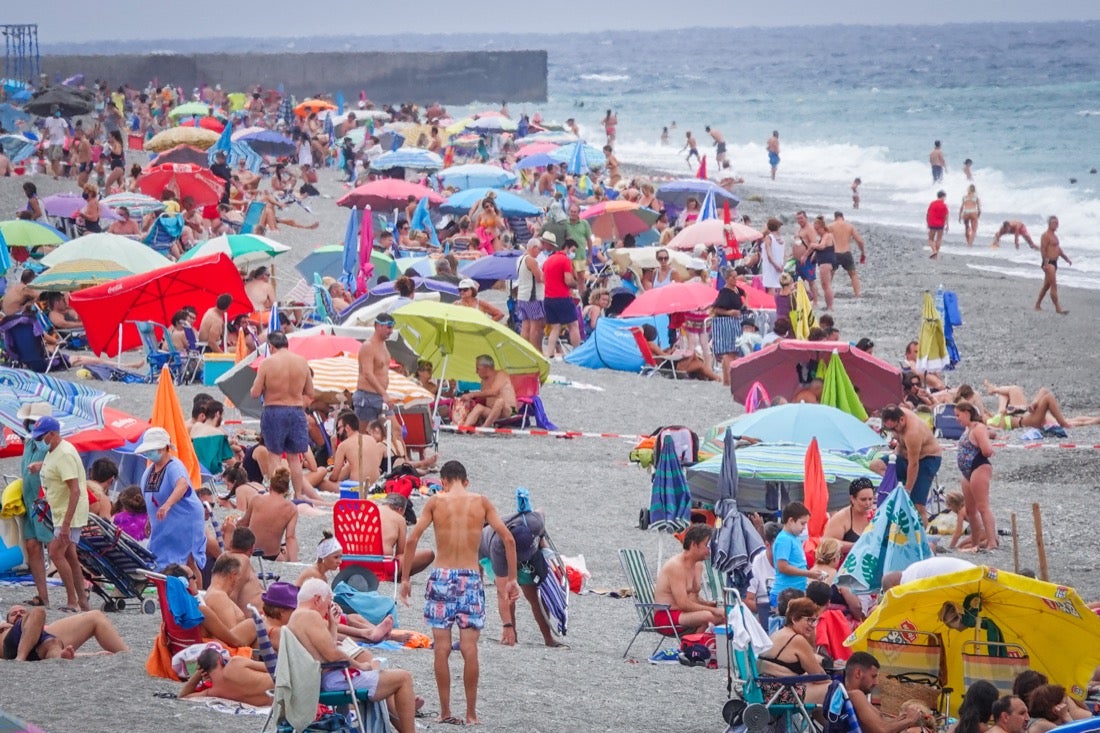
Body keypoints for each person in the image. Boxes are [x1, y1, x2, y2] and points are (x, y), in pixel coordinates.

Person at [400, 460, 519, 726]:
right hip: (470, 578)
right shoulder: (481, 502)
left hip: (442, 576)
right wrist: (511, 579)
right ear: (466, 481)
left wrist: (406, 579)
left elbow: (411, 539)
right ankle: (471, 714)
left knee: (441, 648)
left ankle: (444, 711)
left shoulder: (435, 502)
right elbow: (508, 539)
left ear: (442, 481)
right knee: (469, 647)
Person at [288, 579, 417, 733]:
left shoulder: (296, 617)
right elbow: (332, 653)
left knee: (384, 675)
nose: (329, 607)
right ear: (317, 599)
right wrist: (360, 666)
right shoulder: (310, 616)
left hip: (317, 680)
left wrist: (333, 625)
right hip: (330, 681)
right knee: (404, 678)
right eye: (329, 602)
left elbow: (327, 647)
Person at [479, 508, 564, 648]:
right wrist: (508, 626)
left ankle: (548, 638)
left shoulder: (535, 522)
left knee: (533, 594)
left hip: (525, 547)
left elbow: (541, 511)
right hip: (487, 551)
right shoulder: (497, 546)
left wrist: (543, 542)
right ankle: (511, 635)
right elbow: (503, 592)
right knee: (509, 594)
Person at [31, 416, 90, 612]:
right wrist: (40, 467)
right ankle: (81, 600)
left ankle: (72, 601)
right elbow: (56, 470)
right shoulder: (54, 450)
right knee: (70, 555)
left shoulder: (64, 453)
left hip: (69, 513)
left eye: (42, 438)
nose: (40, 441)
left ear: (53, 434)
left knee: (55, 551)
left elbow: (75, 490)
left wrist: (65, 525)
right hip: (61, 510)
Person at [250, 331, 316, 503]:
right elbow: (310, 392)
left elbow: (255, 393)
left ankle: (277, 493)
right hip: (296, 410)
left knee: (275, 455)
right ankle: (299, 494)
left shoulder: (267, 363)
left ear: (271, 346)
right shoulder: (302, 362)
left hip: (274, 409)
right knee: (295, 457)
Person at [135, 427, 208, 578]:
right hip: (164, 522)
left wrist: (167, 505)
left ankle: (196, 595)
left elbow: (182, 485)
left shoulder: (174, 466)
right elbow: (151, 497)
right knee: (162, 561)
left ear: (162, 448)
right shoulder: (150, 470)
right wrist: (150, 517)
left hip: (185, 519)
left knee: (188, 561)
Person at [756, 598, 831, 705]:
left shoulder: (778, 633)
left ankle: (816, 722)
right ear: (795, 619)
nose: (813, 625)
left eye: (815, 621)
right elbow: (820, 676)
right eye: (809, 620)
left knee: (816, 689)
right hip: (778, 694)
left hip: (764, 690)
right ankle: (836, 721)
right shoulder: (797, 639)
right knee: (833, 688)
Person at [652, 524, 725, 632]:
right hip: (666, 615)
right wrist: (713, 610)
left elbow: (693, 597)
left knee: (725, 617)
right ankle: (692, 647)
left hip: (684, 614)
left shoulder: (698, 565)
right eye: (707, 545)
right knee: (708, 616)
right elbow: (683, 603)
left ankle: (696, 645)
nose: (710, 550)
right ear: (694, 544)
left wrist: (708, 604)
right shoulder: (676, 566)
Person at [16, 403, 53, 608]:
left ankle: (76, 596)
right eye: (29, 423)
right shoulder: (29, 443)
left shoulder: (52, 445)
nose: (31, 427)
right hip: (30, 502)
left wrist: (43, 465)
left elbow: (62, 468)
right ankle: (43, 595)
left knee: (57, 550)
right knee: (32, 546)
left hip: (47, 502)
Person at [880, 404, 943, 523]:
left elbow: (913, 464)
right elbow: (899, 444)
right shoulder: (898, 414)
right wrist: (894, 454)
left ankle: (922, 539)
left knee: (918, 506)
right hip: (904, 456)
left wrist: (907, 490)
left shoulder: (912, 433)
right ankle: (897, 484)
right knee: (876, 465)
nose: (893, 432)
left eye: (894, 428)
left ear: (901, 420)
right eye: (889, 429)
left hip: (926, 459)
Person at [1, 605, 128, 661]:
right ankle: (20, 658)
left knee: (53, 642)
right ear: (8, 620)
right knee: (38, 611)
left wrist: (92, 654)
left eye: (22, 612)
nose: (18, 613)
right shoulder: (7, 629)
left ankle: (129, 656)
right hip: (12, 645)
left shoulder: (37, 623)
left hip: (41, 639)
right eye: (13, 614)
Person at [953, 401, 996, 550]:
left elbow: (987, 450)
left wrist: (986, 447)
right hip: (968, 472)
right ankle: (976, 542)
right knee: (971, 510)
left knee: (983, 506)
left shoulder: (978, 428)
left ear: (966, 412)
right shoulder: (968, 429)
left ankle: (992, 541)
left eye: (958, 415)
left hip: (979, 467)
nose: (957, 418)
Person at [844, 651, 922, 733]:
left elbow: (881, 725)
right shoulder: (855, 695)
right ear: (858, 673)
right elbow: (882, 730)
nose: (876, 682)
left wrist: (902, 719)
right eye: (873, 676)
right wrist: (909, 720)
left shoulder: (853, 696)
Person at [772, 502, 825, 618]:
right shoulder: (784, 540)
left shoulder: (794, 538)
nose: (804, 528)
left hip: (796, 592)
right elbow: (782, 567)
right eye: (802, 523)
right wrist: (808, 573)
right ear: (791, 521)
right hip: (785, 594)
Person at [238, 466, 299, 561]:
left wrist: (235, 524)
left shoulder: (256, 499)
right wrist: (294, 562)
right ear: (286, 489)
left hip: (251, 552)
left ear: (270, 486)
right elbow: (290, 537)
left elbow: (244, 523)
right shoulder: (292, 508)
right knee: (285, 551)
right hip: (272, 555)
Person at [180, 647, 273, 706]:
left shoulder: (213, 692)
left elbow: (183, 696)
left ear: (205, 672)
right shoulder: (236, 663)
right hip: (283, 683)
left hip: (276, 702)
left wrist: (198, 674)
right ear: (220, 659)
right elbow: (274, 667)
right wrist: (230, 659)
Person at [199, 555, 258, 646]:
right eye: (238, 579)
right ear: (233, 575)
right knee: (253, 623)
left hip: (228, 645)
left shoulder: (213, 594)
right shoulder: (218, 596)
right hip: (229, 647)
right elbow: (230, 634)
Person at [541, 236, 580, 358]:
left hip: (548, 298)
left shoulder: (548, 260)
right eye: (573, 250)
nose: (573, 253)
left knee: (555, 327)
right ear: (567, 248)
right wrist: (576, 284)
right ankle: (577, 352)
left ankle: (550, 353)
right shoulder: (565, 260)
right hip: (562, 297)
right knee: (573, 325)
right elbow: (568, 280)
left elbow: (543, 278)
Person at [379, 493, 434, 578]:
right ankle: (399, 577)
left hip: (357, 562)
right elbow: (400, 553)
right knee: (429, 554)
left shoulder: (370, 510)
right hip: (383, 566)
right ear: (401, 510)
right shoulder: (399, 518)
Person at [355, 314, 395, 423]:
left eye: (392, 328)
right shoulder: (368, 346)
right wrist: (384, 394)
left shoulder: (383, 345)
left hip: (380, 396)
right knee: (365, 435)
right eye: (389, 327)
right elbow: (367, 373)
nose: (391, 331)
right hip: (367, 396)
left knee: (396, 431)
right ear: (378, 326)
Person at [458, 354, 518, 427]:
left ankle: (484, 428)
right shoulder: (483, 382)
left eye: (478, 368)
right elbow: (483, 397)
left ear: (486, 368)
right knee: (478, 407)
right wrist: (469, 400)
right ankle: (464, 428)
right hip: (494, 413)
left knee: (499, 401)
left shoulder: (501, 374)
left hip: (511, 411)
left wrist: (472, 394)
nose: (476, 372)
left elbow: (494, 392)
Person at [710, 267, 747, 385]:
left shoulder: (736, 289)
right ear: (727, 278)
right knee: (727, 352)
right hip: (725, 323)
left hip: (735, 323)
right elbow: (715, 309)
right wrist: (729, 312)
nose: (735, 279)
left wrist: (746, 303)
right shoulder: (724, 292)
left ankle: (729, 379)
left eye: (736, 276)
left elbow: (746, 294)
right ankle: (728, 379)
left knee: (734, 351)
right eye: (733, 277)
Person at [823, 477, 875, 556]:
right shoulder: (841, 517)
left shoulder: (876, 515)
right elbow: (827, 544)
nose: (868, 503)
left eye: (870, 499)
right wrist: (857, 545)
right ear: (852, 499)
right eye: (863, 499)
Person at [1035, 216, 1071, 314]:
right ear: (1049, 224)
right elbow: (1043, 250)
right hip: (1048, 263)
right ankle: (1058, 308)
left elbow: (1058, 250)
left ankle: (1037, 304)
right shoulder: (1045, 235)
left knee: (1046, 285)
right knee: (1054, 285)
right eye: (1054, 223)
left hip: (1055, 263)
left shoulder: (1055, 237)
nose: (1056, 225)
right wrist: (1045, 264)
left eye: (1057, 223)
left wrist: (1066, 259)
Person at [829, 212, 866, 297]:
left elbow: (824, 239)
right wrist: (862, 252)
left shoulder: (831, 226)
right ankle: (857, 294)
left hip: (835, 252)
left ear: (835, 218)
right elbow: (860, 241)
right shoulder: (849, 226)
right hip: (846, 252)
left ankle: (827, 293)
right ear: (843, 217)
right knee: (853, 274)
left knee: (830, 274)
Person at [761, 218, 786, 294]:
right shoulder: (781, 239)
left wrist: (775, 266)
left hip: (771, 266)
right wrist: (782, 266)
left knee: (770, 288)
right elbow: (784, 255)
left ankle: (772, 304)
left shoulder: (769, 238)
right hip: (780, 265)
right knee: (779, 287)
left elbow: (769, 255)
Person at [926, 190, 948, 259]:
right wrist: (947, 225)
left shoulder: (932, 203)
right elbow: (946, 215)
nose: (945, 198)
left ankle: (934, 251)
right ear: (943, 196)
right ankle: (936, 254)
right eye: (945, 197)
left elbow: (928, 213)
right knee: (939, 239)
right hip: (941, 224)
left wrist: (927, 222)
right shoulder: (944, 205)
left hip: (932, 223)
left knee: (930, 239)